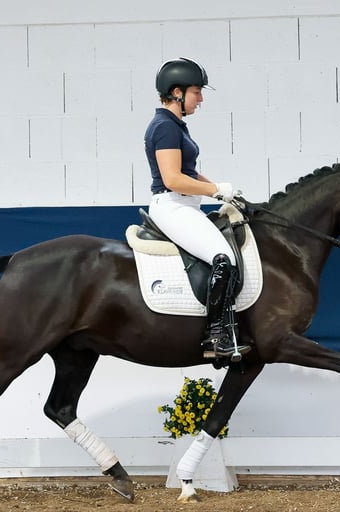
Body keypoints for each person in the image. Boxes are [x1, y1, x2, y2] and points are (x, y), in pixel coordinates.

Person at [144, 57, 250, 362]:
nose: (200, 99)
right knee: (225, 259)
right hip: (172, 205)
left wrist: (221, 191)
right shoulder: (164, 127)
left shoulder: (175, 125)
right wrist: (214, 190)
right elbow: (173, 178)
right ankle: (215, 336)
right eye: (196, 92)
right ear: (177, 92)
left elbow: (188, 173)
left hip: (184, 204)